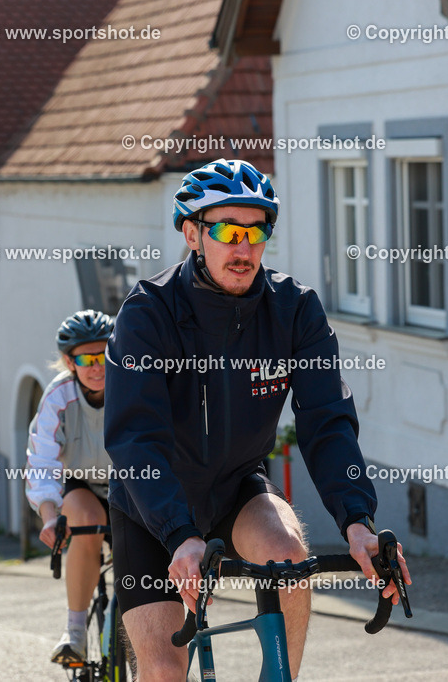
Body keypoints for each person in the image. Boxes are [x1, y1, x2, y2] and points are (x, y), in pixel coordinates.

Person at [103, 158, 412, 680]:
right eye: (226, 230)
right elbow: (135, 437)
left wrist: (358, 523)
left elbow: (327, 421)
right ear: (192, 234)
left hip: (236, 487)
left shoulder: (294, 310)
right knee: (163, 672)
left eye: (256, 231)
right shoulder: (147, 315)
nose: (243, 247)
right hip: (151, 507)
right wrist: (179, 534)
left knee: (289, 557)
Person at [26, 310, 115, 665]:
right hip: (82, 486)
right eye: (86, 359)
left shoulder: (134, 384)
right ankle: (75, 633)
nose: (97, 367)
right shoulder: (58, 397)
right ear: (69, 361)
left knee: (139, 547)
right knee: (83, 519)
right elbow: (41, 463)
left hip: (133, 486)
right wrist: (49, 517)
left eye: (104, 355)